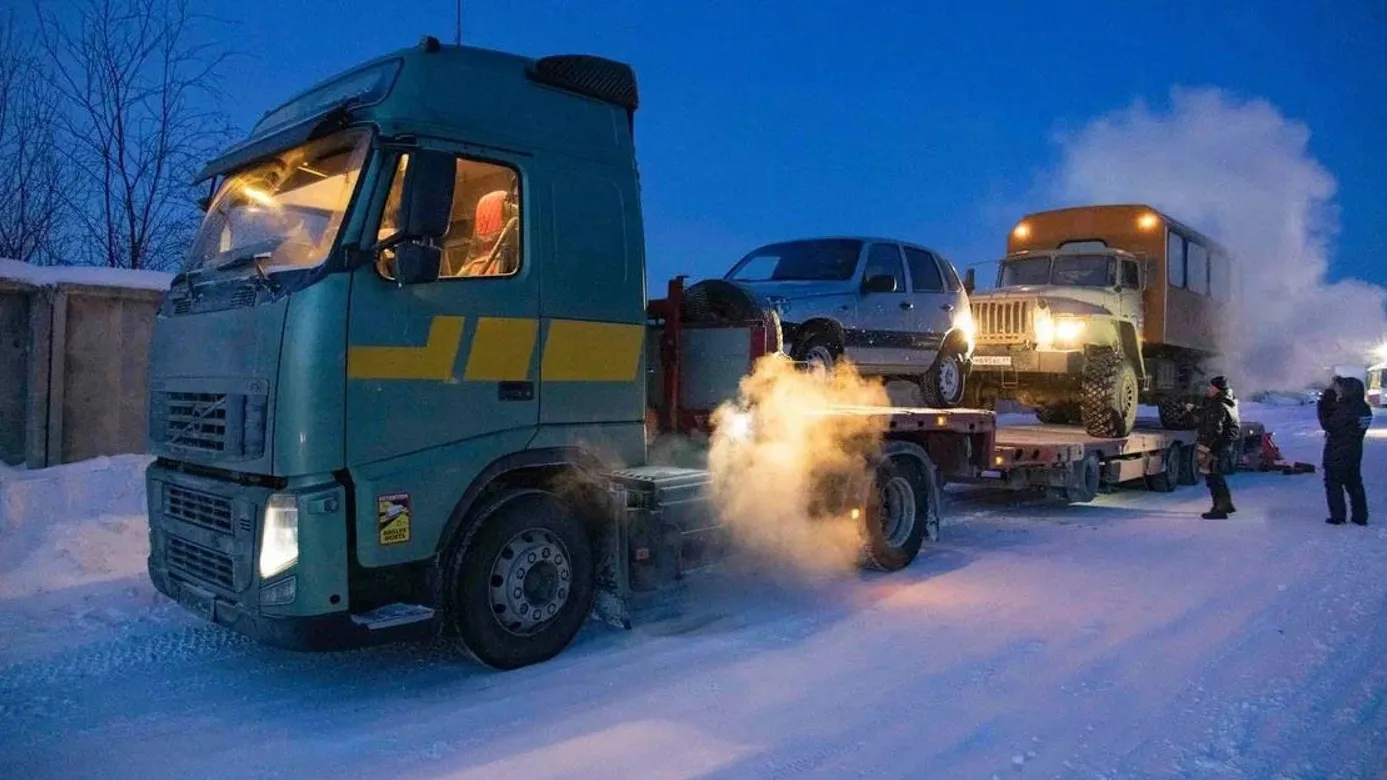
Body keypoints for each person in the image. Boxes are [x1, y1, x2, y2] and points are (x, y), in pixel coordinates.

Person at [1318, 376, 1373, 526]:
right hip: (1354, 451)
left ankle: (1338, 516)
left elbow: (1329, 424)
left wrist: (1326, 400)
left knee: (1333, 483)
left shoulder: (1346, 408)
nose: (1340, 391)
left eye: (1342, 388)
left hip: (1337, 452)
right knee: (1354, 483)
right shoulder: (1363, 408)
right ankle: (1360, 516)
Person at [1196, 375, 1240, 519]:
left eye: (1211, 387)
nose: (1209, 389)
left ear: (1216, 389)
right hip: (1225, 444)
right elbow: (1211, 416)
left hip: (1217, 445)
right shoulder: (1228, 402)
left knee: (1213, 478)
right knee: (1217, 476)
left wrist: (1208, 448)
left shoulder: (1218, 405)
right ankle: (1226, 504)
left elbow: (1215, 428)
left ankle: (1219, 510)